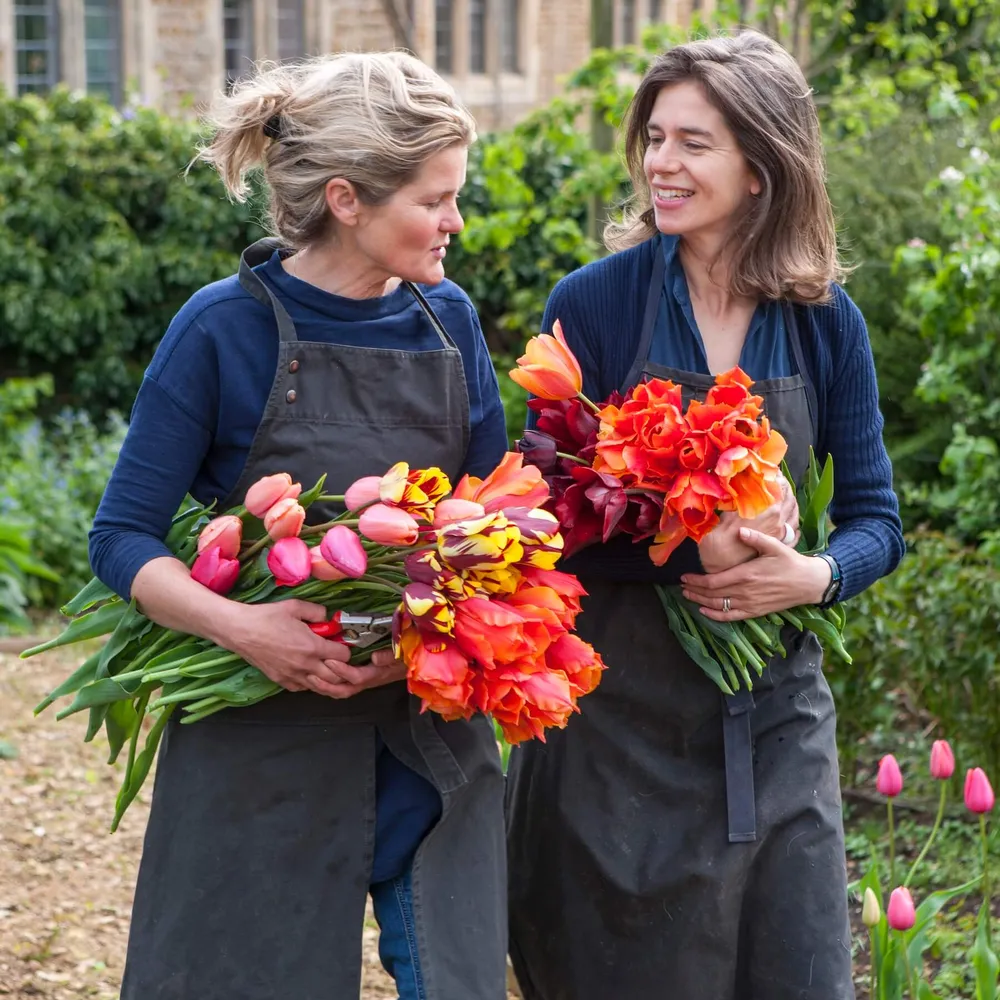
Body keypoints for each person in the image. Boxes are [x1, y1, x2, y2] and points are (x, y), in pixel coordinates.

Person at [88, 52, 510, 1000]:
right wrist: (247, 629)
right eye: (434, 200)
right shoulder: (219, 330)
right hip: (258, 735)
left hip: (424, 732)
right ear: (346, 199)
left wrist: (429, 639)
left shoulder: (450, 324)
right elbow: (121, 540)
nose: (455, 223)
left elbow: (497, 521)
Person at [505, 30, 905, 1000]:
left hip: (774, 722)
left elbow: (876, 519)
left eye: (693, 142)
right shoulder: (595, 304)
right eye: (654, 137)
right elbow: (538, 514)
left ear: (761, 167)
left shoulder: (822, 320)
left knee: (798, 973)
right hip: (617, 729)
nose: (659, 163)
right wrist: (684, 535)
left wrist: (813, 575)